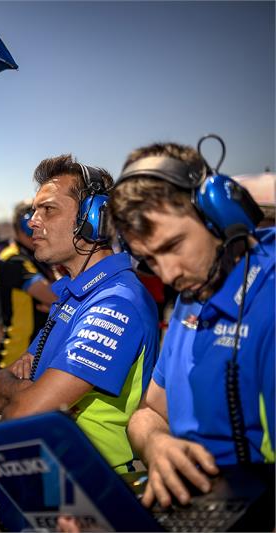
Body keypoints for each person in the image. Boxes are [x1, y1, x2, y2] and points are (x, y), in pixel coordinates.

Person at [108, 141, 274, 508]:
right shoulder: (195, 291)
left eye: (173, 245)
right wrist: (157, 444)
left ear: (219, 213)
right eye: (150, 259)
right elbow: (149, 412)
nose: (168, 275)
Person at [0, 154, 160, 473]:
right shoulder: (75, 295)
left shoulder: (115, 302)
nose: (32, 221)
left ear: (93, 218)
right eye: (34, 211)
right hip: (53, 476)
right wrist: (12, 384)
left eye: (48, 210)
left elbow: (22, 413)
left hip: (93, 484)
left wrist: (17, 387)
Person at [0, 200, 58, 367]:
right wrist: (60, 306)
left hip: (37, 354)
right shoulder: (12, 258)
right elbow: (53, 296)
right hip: (17, 357)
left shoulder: (36, 254)